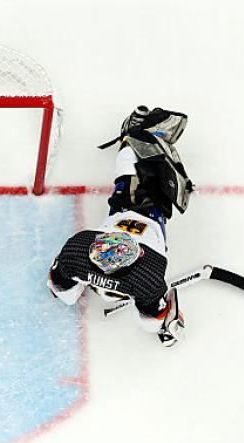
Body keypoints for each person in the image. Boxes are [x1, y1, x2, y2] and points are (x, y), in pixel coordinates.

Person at [48, 106, 193, 346]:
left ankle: (134, 138)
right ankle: (135, 137)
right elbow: (152, 321)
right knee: (133, 185)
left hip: (109, 261)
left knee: (131, 186)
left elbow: (59, 288)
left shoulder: (79, 249)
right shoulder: (146, 272)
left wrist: (167, 316)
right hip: (137, 223)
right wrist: (167, 321)